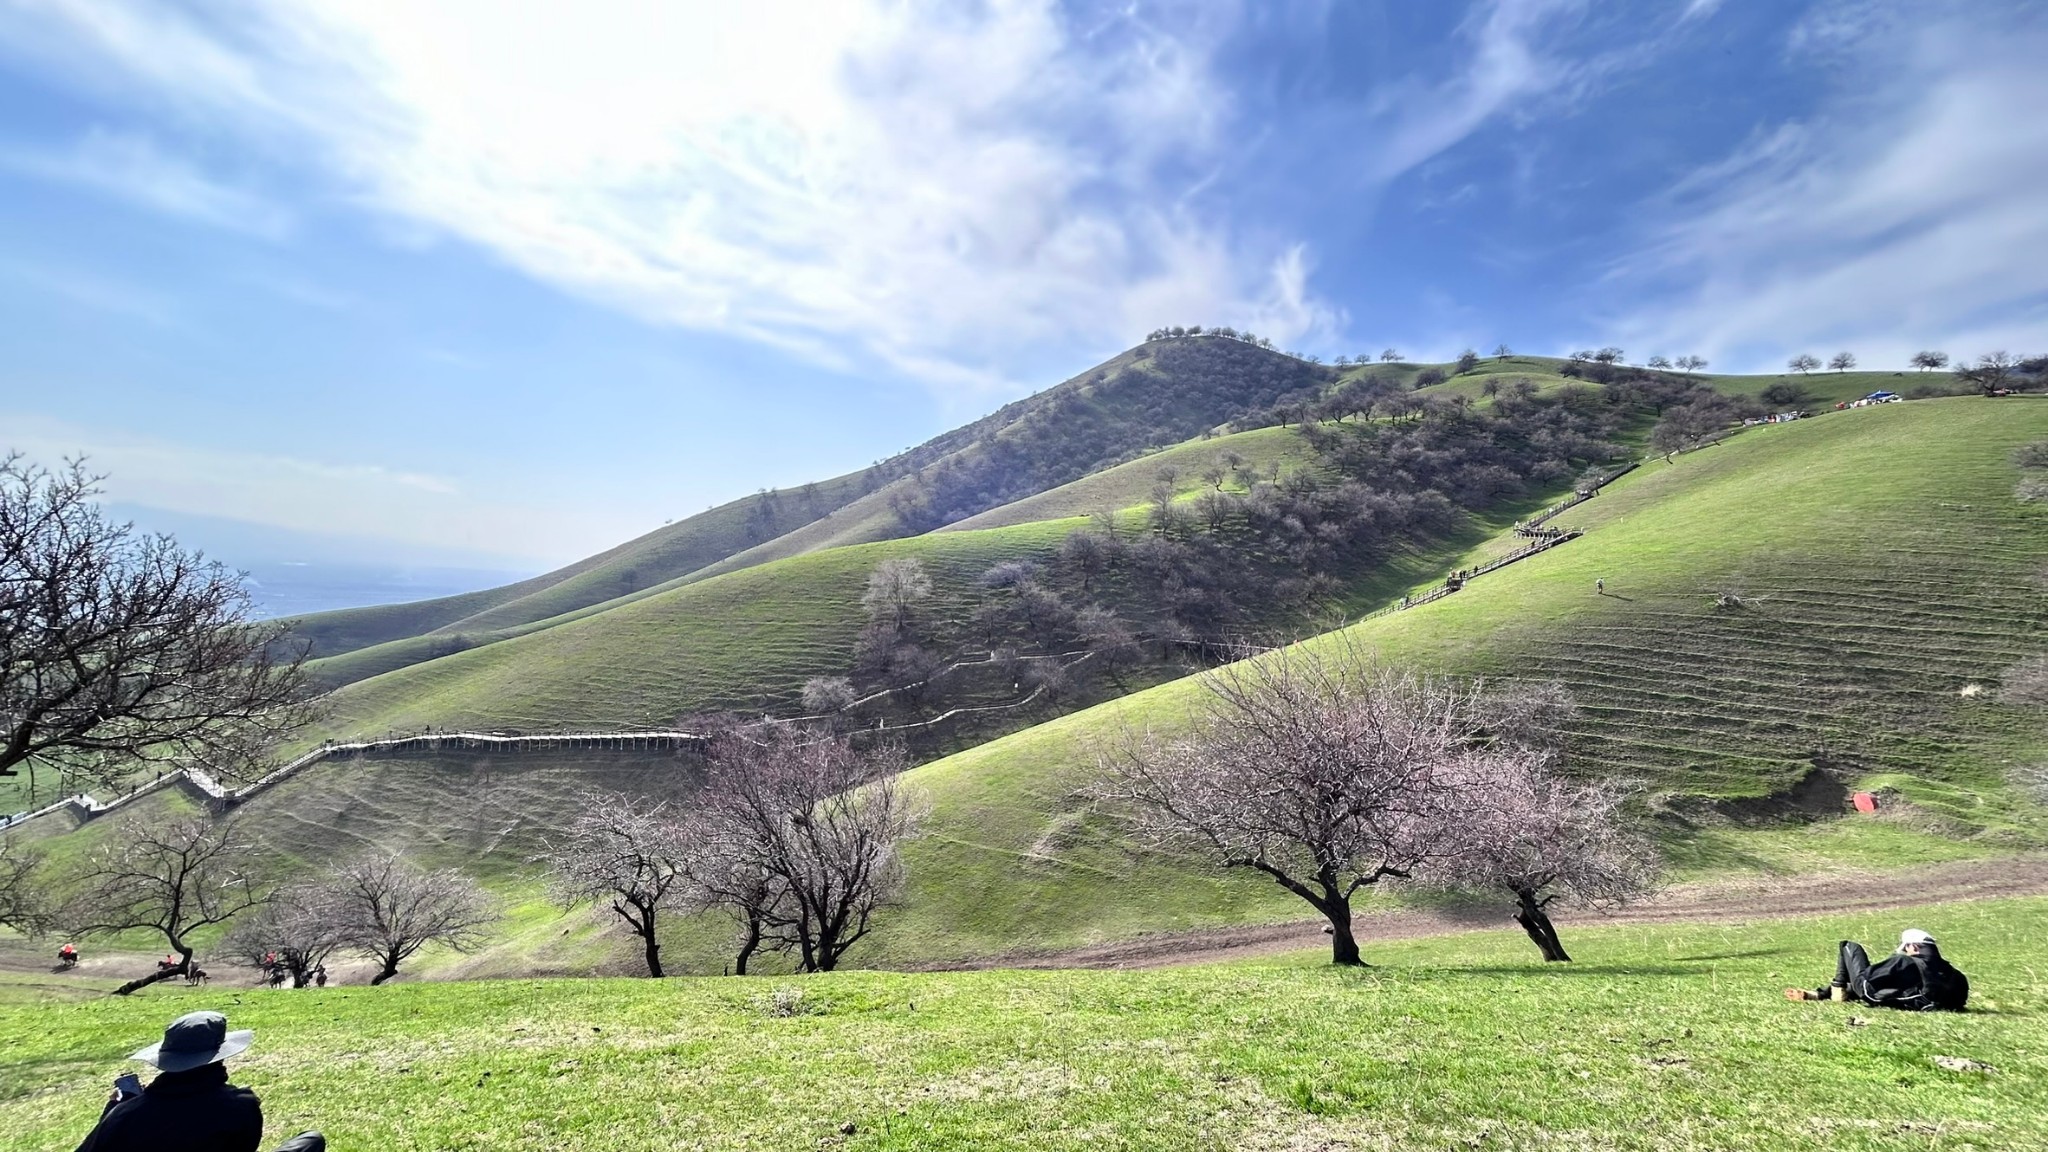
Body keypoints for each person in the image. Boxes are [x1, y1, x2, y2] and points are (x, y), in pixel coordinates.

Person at [72, 1010, 324, 1152]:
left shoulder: (125, 1114)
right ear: (219, 1057)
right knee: (310, 1141)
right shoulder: (241, 1105)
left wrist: (111, 1112)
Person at [1783, 929, 1969, 1011]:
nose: (1906, 951)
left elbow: (1868, 977)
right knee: (1879, 982)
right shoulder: (1957, 976)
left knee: (1849, 946)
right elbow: (1960, 1002)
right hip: (1908, 1001)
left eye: (1906, 948)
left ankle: (1836, 989)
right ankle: (1820, 994)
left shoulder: (1904, 962)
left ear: (1915, 947)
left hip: (1871, 995)